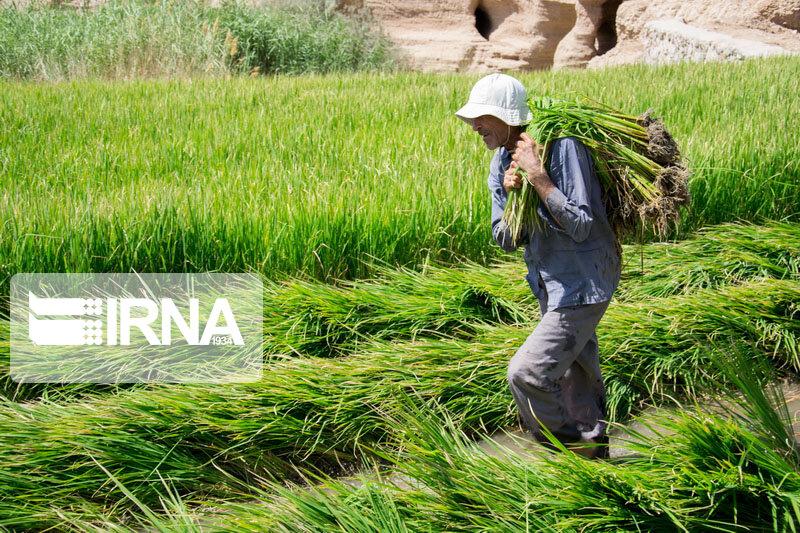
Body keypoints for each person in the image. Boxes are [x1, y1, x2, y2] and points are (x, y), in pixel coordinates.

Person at [455, 73, 621, 459]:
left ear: (509, 117)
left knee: (526, 373)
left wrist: (537, 175)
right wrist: (514, 198)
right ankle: (597, 463)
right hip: (549, 283)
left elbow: (581, 225)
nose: (474, 126)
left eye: (482, 117)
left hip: (585, 281)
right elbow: (504, 240)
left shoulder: (562, 147)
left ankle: (565, 456)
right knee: (574, 378)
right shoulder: (499, 162)